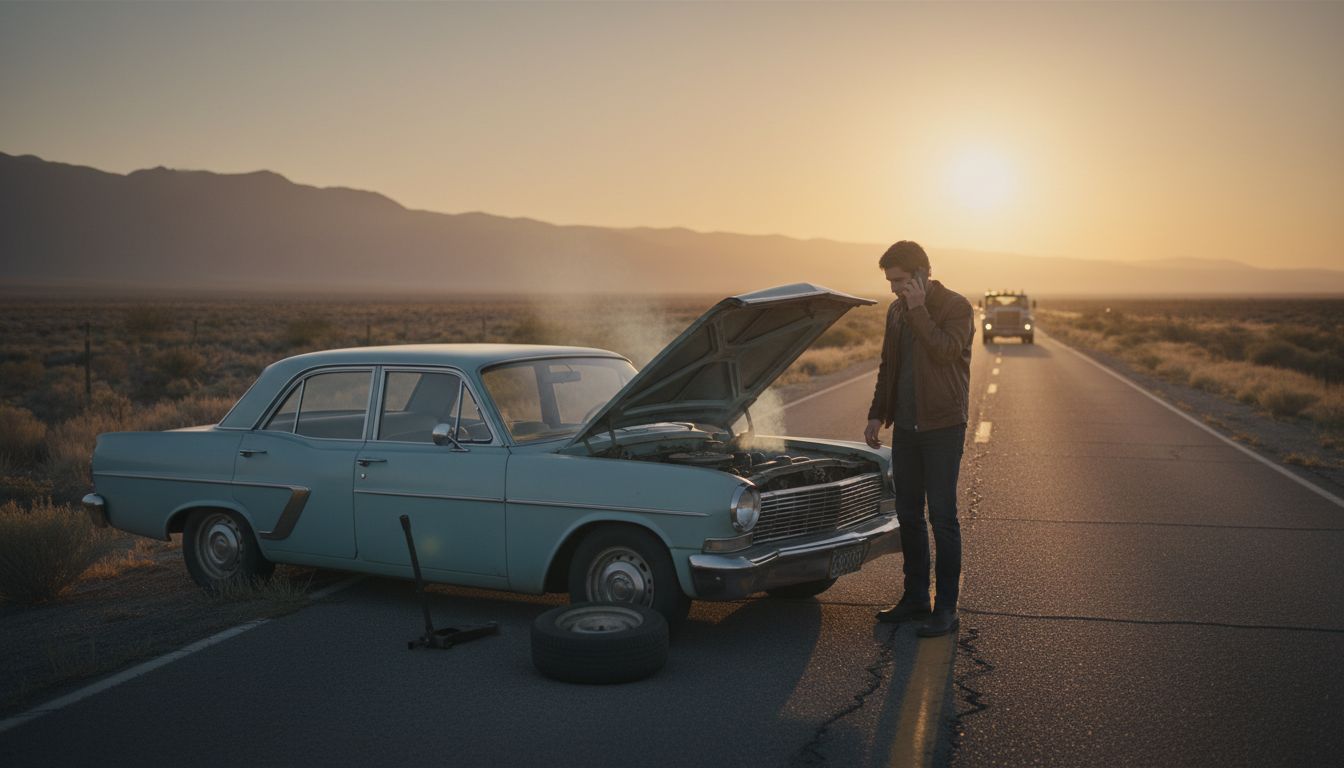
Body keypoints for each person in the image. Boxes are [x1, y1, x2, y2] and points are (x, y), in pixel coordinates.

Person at [864, 241, 974, 637]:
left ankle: (945, 608)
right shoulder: (895, 311)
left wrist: (918, 309)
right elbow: (886, 366)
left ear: (921, 274)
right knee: (908, 515)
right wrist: (877, 414)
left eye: (899, 280)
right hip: (907, 430)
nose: (893, 288)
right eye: (889, 281)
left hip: (943, 427)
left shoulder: (955, 306)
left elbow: (946, 351)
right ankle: (915, 598)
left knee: (942, 518)